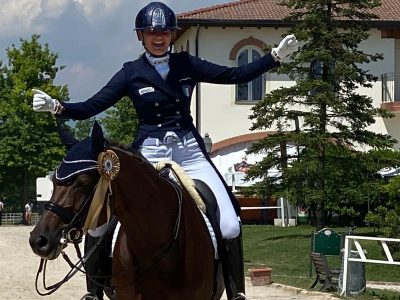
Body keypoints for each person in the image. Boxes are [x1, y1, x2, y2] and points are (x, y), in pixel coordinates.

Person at [32, 2, 298, 299]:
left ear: (171, 35)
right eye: (150, 32)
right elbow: (94, 105)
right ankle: (94, 293)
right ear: (140, 36)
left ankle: (236, 293)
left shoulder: (187, 64)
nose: (158, 37)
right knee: (99, 223)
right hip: (149, 153)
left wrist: (273, 59)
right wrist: (59, 107)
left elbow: (232, 76)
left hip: (189, 151)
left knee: (229, 222)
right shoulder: (131, 73)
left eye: (164, 32)